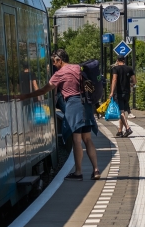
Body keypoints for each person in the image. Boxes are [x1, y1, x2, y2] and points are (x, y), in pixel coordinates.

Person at [20, 49, 100, 180]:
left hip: (74, 105)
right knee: (88, 139)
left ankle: (78, 172)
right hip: (87, 104)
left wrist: (26, 96)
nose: (53, 64)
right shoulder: (78, 67)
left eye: (54, 61)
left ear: (59, 60)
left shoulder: (60, 73)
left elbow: (44, 90)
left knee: (76, 140)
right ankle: (96, 170)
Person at [110, 56, 136, 137]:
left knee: (121, 112)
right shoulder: (129, 68)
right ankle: (120, 130)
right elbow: (134, 81)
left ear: (117, 60)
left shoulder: (115, 69)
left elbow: (114, 80)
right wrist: (131, 84)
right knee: (123, 111)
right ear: (124, 60)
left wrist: (111, 92)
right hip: (127, 92)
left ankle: (128, 128)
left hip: (119, 92)